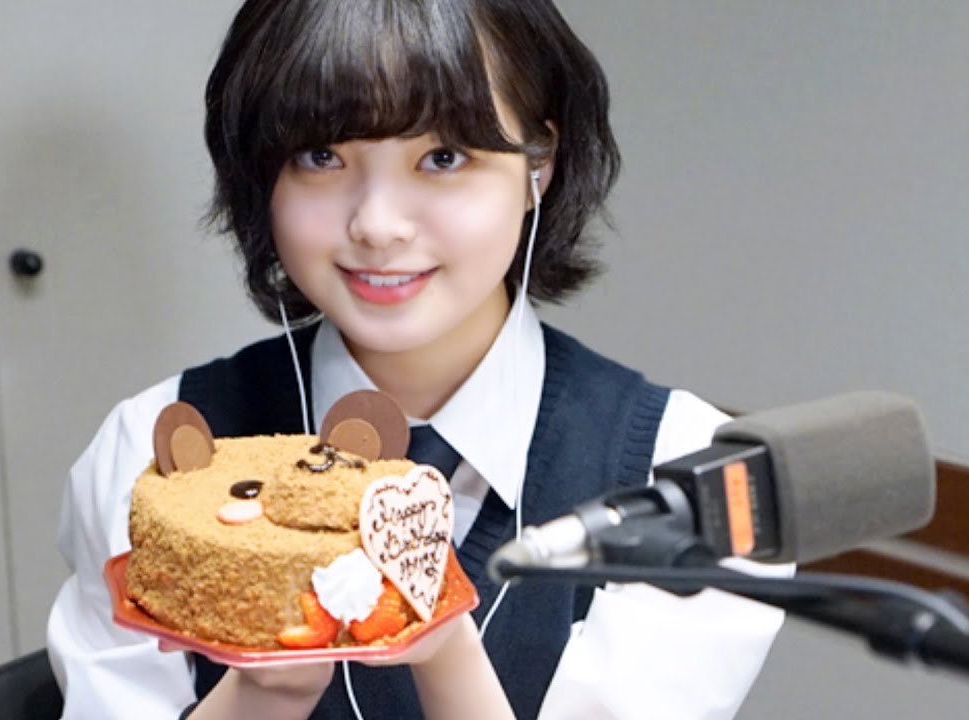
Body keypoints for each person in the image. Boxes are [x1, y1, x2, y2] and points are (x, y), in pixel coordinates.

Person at [47, 0, 788, 718]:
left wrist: (445, 651)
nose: (377, 225)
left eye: (442, 157)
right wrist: (264, 694)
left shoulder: (689, 478)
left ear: (540, 165)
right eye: (320, 155)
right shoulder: (152, 460)